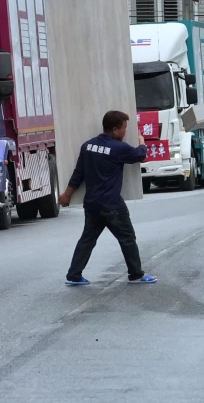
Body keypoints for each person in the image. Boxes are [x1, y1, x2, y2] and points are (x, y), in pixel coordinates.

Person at [60, 110, 156, 286]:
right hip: (112, 205)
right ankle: (136, 274)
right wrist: (142, 143)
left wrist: (67, 194)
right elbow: (140, 155)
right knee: (127, 238)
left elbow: (78, 173)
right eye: (124, 128)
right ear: (114, 129)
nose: (126, 132)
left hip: (92, 204)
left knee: (87, 240)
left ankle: (74, 275)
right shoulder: (119, 148)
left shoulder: (87, 146)